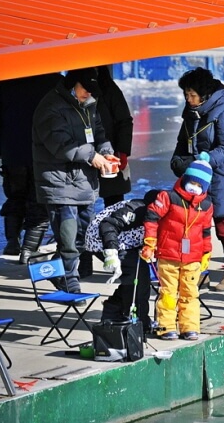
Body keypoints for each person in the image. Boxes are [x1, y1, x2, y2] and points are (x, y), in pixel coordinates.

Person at [32, 67, 118, 293]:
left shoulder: (88, 105)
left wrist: (106, 150)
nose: (88, 94)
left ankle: (56, 272)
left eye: (91, 91)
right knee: (68, 238)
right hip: (59, 183)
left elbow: (99, 132)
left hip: (83, 183)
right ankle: (71, 282)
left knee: (82, 236)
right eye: (85, 89)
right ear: (72, 84)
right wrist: (93, 157)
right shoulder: (51, 108)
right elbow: (61, 145)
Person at [170, 67, 224, 291]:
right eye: (186, 95)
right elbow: (183, 141)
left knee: (222, 224)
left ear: (204, 94)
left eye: (192, 95)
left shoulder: (222, 112)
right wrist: (178, 160)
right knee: (195, 226)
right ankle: (199, 271)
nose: (188, 99)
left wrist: (207, 159)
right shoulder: (190, 114)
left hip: (219, 175)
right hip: (197, 176)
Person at [0, 72, 61, 259]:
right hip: (44, 152)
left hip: (13, 152)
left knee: (15, 197)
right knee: (40, 201)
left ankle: (12, 242)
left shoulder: (3, 81)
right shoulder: (55, 80)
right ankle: (29, 249)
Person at [141, 154, 214, 341]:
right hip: (168, 254)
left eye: (200, 185)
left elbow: (206, 230)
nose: (195, 188)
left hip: (193, 257)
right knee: (168, 292)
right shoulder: (168, 197)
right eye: (193, 183)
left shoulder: (206, 205)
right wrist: (150, 243)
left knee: (190, 293)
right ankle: (166, 327)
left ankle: (190, 327)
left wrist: (207, 251)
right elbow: (151, 218)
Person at [84, 192, 157, 333]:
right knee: (138, 278)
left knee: (136, 279)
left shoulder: (166, 212)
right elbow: (108, 225)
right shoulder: (137, 210)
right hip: (103, 240)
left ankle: (113, 312)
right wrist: (111, 252)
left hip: (129, 241)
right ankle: (140, 322)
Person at [96, 65, 134, 207]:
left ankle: (113, 228)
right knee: (82, 205)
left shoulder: (109, 89)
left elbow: (124, 121)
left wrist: (122, 152)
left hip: (110, 152)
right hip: (83, 154)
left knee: (114, 201)